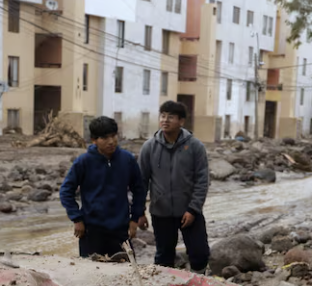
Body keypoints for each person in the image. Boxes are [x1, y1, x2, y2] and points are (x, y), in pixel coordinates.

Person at [138, 100, 211, 273]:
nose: (165, 120)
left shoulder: (195, 147)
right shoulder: (149, 147)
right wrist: (139, 211)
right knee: (163, 256)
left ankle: (199, 283)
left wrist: (193, 209)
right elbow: (140, 181)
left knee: (199, 253)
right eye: (162, 116)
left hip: (189, 211)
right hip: (161, 212)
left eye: (171, 117)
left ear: (181, 121)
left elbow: (202, 180)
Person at [59, 116, 146, 258]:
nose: (111, 141)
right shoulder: (84, 162)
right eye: (105, 138)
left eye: (113, 136)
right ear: (94, 140)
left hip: (120, 229)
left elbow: (139, 190)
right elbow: (66, 191)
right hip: (91, 230)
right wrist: (77, 218)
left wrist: (135, 218)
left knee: (126, 269)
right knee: (92, 269)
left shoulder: (127, 159)